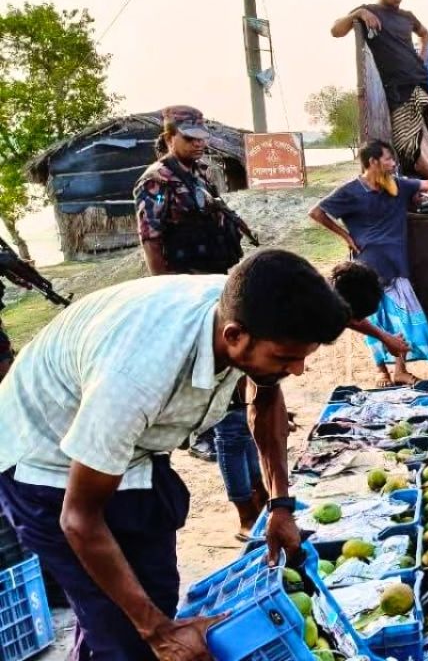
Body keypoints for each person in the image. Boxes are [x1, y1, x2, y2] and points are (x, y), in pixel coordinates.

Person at [0, 249, 350, 660]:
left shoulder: (251, 307)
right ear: (234, 336)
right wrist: (158, 631)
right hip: (44, 464)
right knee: (125, 631)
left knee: (153, 594)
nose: (298, 370)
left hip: (132, 454)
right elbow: (78, 519)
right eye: (286, 358)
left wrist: (280, 506)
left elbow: (267, 398)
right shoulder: (139, 374)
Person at [310, 140, 428, 387]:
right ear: (373, 162)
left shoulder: (397, 186)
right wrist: (346, 236)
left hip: (396, 267)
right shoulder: (350, 191)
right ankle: (382, 372)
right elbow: (316, 212)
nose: (393, 163)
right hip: (367, 272)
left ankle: (400, 370)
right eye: (389, 159)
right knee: (374, 321)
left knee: (403, 321)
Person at [134, 105, 250, 464]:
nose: (199, 144)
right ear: (170, 138)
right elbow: (150, 239)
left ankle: (231, 420)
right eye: (189, 138)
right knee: (198, 357)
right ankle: (200, 432)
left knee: (228, 351)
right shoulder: (156, 180)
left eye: (202, 138)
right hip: (185, 284)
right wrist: (167, 291)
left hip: (216, 275)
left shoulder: (197, 174)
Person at [331, 0, 428, 179]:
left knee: (424, 131)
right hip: (395, 87)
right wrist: (359, 13)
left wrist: (423, 55)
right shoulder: (369, 11)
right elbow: (336, 30)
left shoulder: (407, 16)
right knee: (405, 142)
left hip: (418, 81)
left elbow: (424, 33)